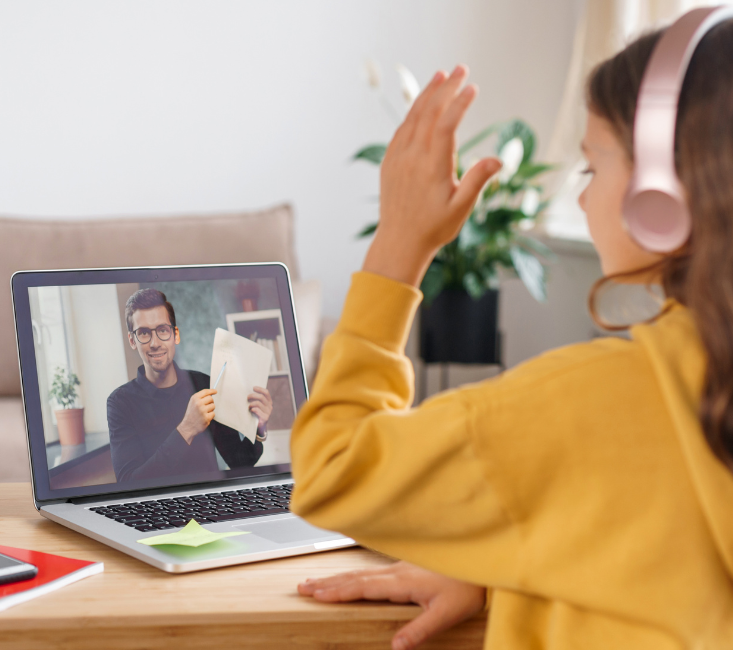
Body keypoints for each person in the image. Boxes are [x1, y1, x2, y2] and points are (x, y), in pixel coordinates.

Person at [290, 15, 733, 650]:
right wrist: (509, 565)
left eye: (590, 170)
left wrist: (399, 245)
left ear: (661, 196)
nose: (581, 199)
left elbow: (333, 469)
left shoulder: (592, 402)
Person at [107, 288, 273, 483]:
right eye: (143, 333)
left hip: (209, 505)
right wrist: (186, 429)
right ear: (132, 340)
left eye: (162, 330)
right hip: (160, 510)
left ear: (175, 335)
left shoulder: (203, 384)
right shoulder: (120, 403)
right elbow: (128, 483)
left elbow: (240, 462)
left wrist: (259, 427)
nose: (154, 343)